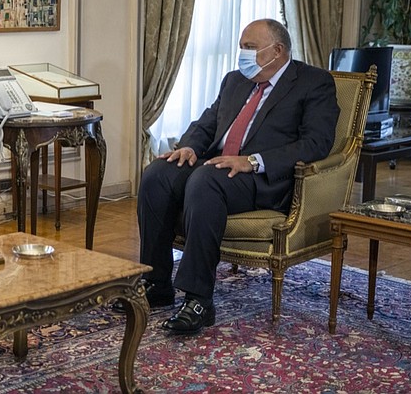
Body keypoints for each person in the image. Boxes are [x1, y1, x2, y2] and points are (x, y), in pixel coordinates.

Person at [136, 18, 340, 335]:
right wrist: (189, 147)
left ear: (278, 50)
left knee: (206, 180)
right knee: (157, 174)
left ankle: (198, 300)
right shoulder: (236, 80)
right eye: (241, 47)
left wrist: (253, 161)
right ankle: (156, 282)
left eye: (249, 48)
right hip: (219, 165)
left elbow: (316, 142)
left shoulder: (313, 83)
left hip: (263, 177)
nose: (242, 55)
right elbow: (207, 123)